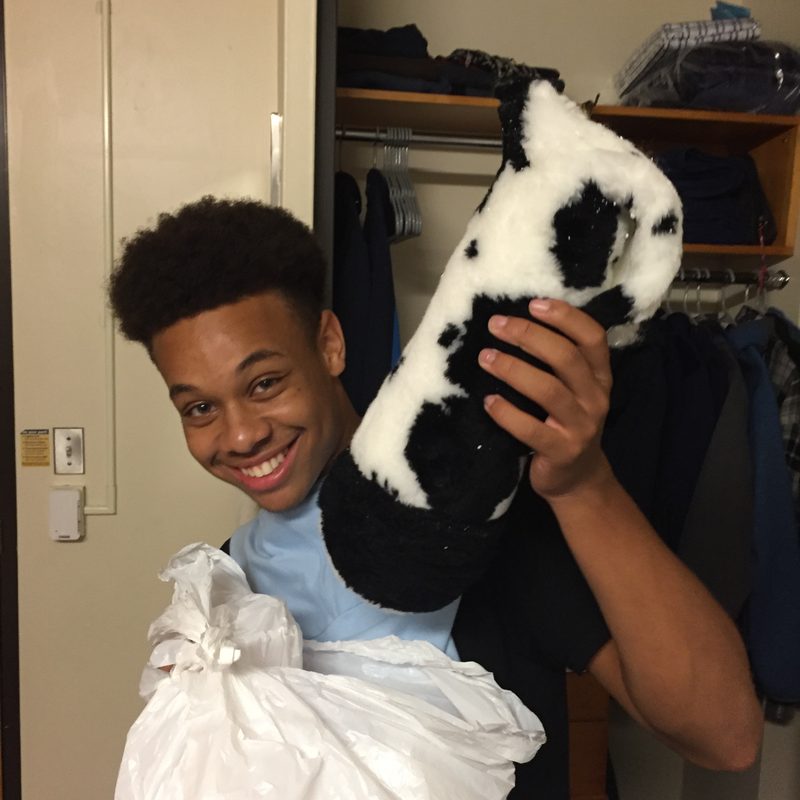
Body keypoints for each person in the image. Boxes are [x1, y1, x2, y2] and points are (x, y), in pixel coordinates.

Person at [109, 196, 763, 799]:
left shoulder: (479, 525)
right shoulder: (229, 586)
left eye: (265, 383)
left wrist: (585, 486)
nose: (242, 435)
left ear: (330, 345)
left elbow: (722, 735)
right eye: (198, 407)